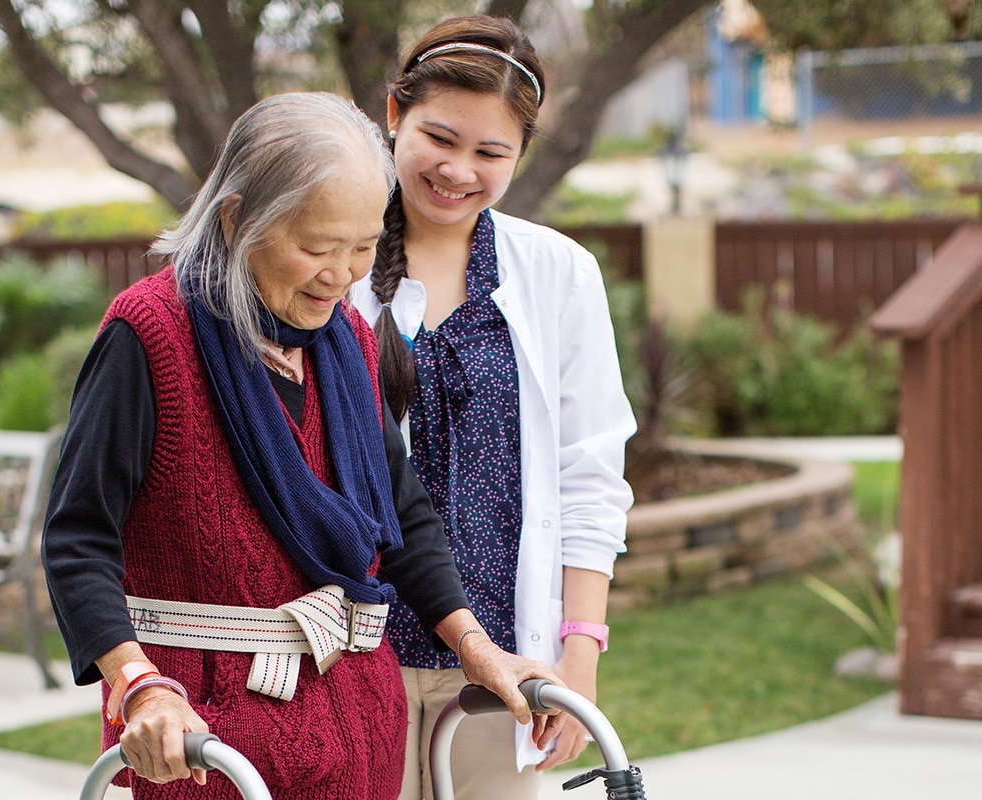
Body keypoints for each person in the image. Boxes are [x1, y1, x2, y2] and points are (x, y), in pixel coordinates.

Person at [41, 91, 563, 800]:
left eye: (362, 246)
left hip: (359, 737)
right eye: (317, 247)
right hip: (206, 748)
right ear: (236, 220)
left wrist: (477, 648)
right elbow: (78, 538)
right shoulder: (151, 336)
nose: (344, 274)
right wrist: (139, 688)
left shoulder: (345, 339)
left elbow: (402, 513)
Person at [350, 15, 636, 800]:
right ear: (392, 116)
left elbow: (591, 475)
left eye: (489, 153)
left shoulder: (558, 275)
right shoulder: (332, 256)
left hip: (505, 671)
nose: (457, 170)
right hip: (348, 660)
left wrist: (579, 652)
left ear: (521, 155)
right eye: (439, 138)